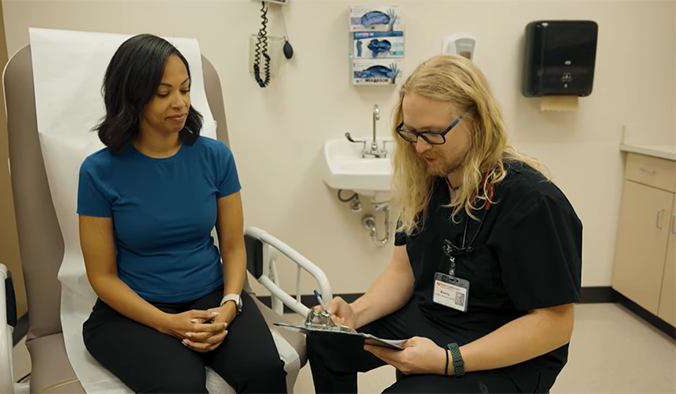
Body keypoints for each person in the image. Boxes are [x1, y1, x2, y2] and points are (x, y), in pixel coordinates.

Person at [307, 54, 582, 394]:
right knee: (327, 342)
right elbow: (402, 270)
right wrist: (355, 313)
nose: (420, 147)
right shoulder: (429, 181)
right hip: (434, 315)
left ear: (477, 121)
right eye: (412, 132)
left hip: (502, 341)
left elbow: (554, 324)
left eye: (433, 134)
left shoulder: (532, 202)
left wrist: (447, 361)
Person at [77, 34, 287, 394]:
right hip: (135, 311)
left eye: (185, 90)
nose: (180, 103)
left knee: (265, 370)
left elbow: (233, 248)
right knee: (181, 386)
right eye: (163, 93)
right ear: (132, 96)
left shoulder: (215, 157)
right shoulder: (98, 172)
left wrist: (230, 304)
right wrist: (167, 323)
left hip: (211, 297)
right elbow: (102, 276)